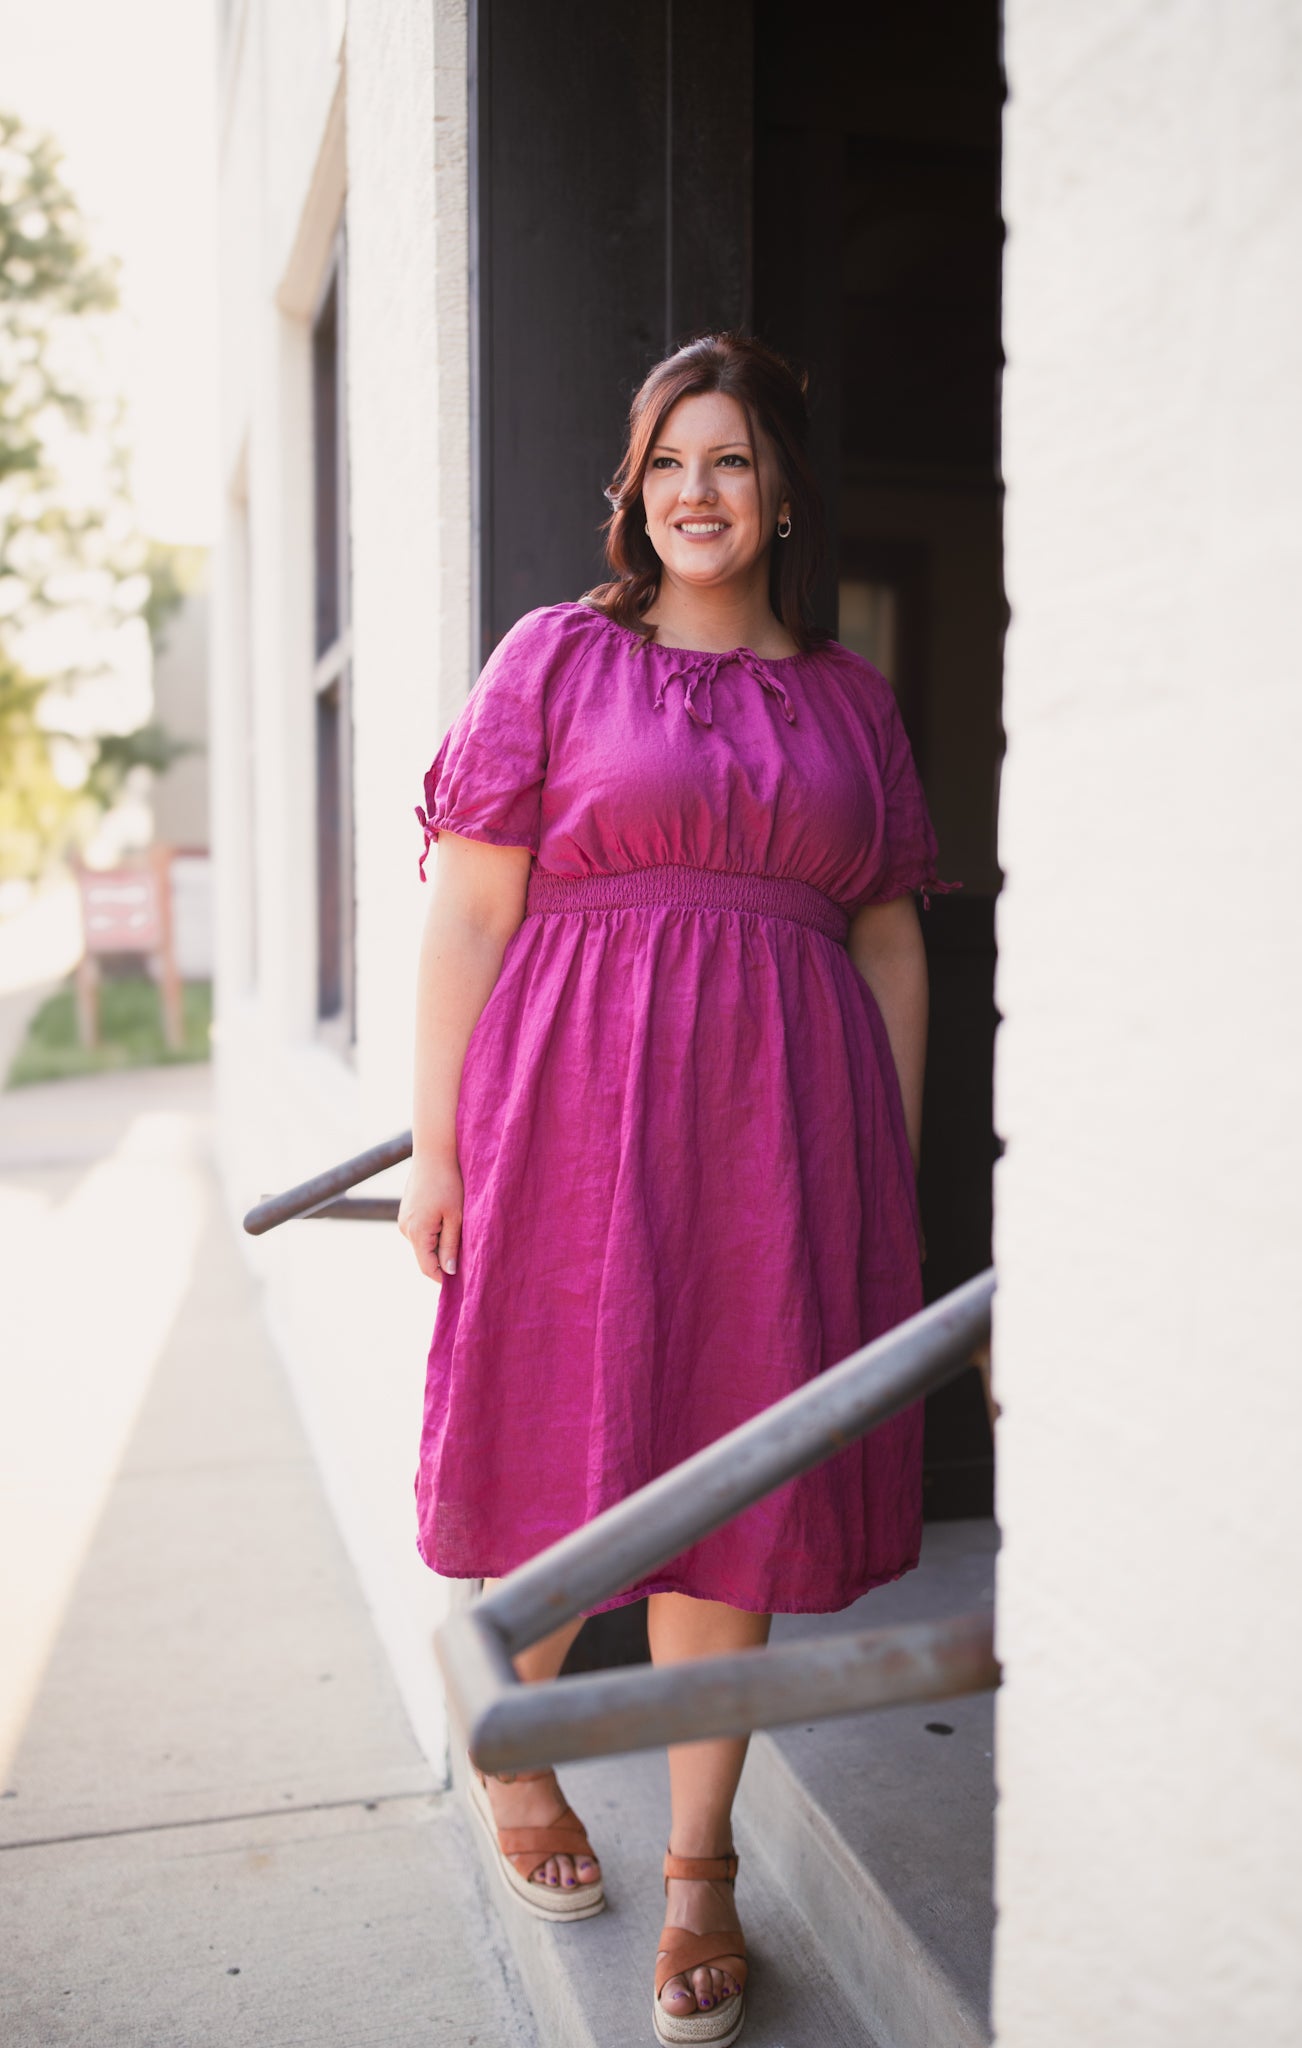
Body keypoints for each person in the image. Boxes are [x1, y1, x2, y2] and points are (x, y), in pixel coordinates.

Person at [398, 332, 951, 2046]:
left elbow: (886, 940)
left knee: (743, 1476)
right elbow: (470, 914)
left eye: (729, 461)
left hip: (790, 1139)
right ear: (632, 492)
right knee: (560, 1448)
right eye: (667, 464)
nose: (696, 493)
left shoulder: (851, 699)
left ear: (780, 493)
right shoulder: (555, 660)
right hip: (571, 1108)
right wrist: (438, 1145)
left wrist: (887, 1177)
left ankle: (699, 1864)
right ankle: (519, 1764)